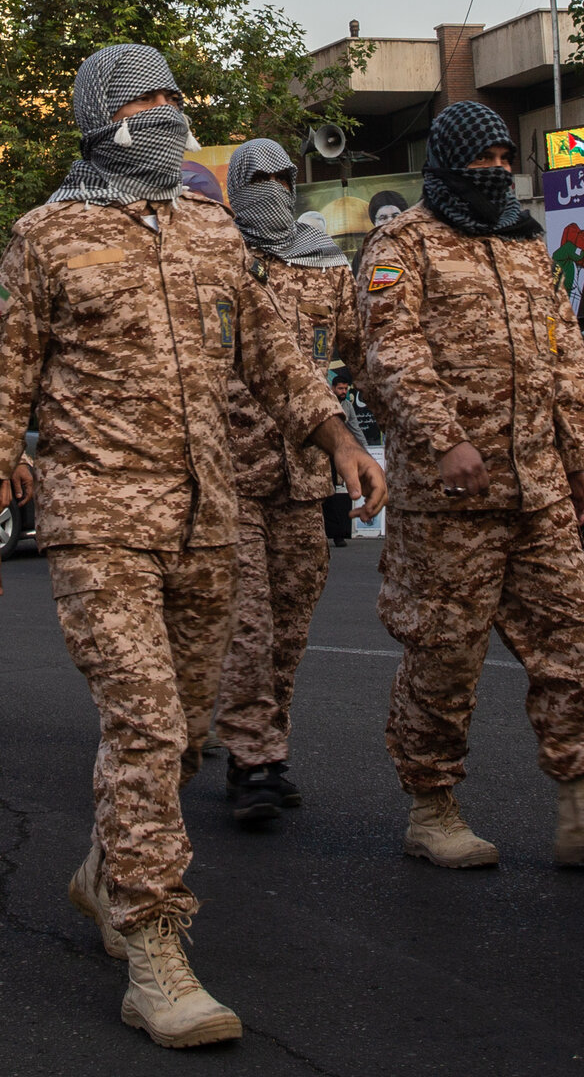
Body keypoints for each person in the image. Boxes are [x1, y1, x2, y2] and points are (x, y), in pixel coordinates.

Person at [0, 45, 384, 1050]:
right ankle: (154, 944)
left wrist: (335, 434)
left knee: (188, 734)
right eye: (144, 99)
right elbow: (0, 385)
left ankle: (108, 869)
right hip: (100, 520)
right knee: (144, 724)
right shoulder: (45, 238)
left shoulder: (210, 227)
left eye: (172, 98)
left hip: (209, 518)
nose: (165, 112)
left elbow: (272, 352)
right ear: (101, 114)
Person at [355, 100, 584, 871]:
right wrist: (444, 438)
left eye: (501, 158)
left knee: (574, 645)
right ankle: (432, 806)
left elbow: (564, 356)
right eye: (479, 160)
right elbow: (390, 353)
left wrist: (580, 457)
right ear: (448, 166)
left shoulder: (527, 247)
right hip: (449, 498)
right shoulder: (403, 244)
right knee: (444, 655)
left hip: (540, 490)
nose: (495, 170)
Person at [216, 139, 361, 824]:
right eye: (259, 179)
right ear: (237, 186)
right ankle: (254, 763)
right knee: (246, 627)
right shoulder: (216, 256)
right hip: (229, 474)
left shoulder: (328, 267)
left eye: (283, 177)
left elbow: (363, 352)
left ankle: (264, 743)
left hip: (305, 480)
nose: (273, 188)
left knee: (289, 630)